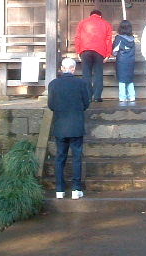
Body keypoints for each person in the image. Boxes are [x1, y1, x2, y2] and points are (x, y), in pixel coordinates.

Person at [48, 57, 91, 199]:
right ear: (73, 69)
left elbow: (51, 105)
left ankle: (60, 189)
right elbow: (86, 103)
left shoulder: (53, 84)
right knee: (77, 157)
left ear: (61, 68)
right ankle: (76, 189)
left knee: (60, 157)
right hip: (76, 124)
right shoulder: (82, 83)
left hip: (60, 125)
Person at [74, 9, 113, 102]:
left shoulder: (82, 23)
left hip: (85, 50)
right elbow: (108, 40)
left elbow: (78, 38)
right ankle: (97, 96)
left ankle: (87, 96)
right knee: (98, 73)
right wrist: (108, 54)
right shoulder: (106, 24)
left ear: (90, 15)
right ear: (100, 16)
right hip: (99, 51)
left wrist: (78, 51)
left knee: (86, 74)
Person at [113, 19, 136, 104]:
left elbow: (115, 51)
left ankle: (122, 97)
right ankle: (132, 96)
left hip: (122, 61)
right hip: (131, 60)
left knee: (122, 80)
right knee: (130, 79)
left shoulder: (119, 38)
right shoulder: (132, 39)